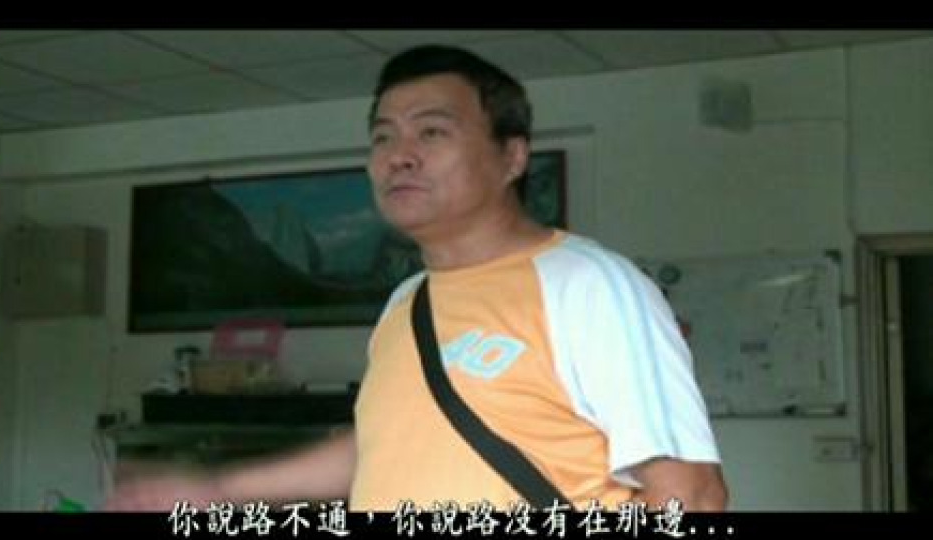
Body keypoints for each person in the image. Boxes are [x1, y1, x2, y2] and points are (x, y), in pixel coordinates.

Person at [105, 44, 727, 512]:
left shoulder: (588, 285)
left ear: (512, 156)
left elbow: (691, 495)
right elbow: (379, 448)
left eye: (432, 132)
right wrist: (218, 489)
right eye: (383, 137)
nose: (398, 156)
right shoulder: (407, 303)